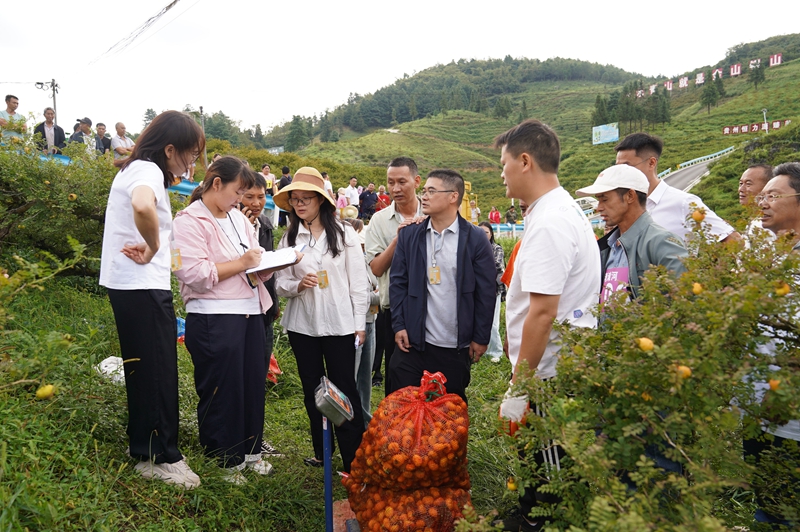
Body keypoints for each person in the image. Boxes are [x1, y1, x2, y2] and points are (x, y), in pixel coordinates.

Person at [494, 119, 601, 531]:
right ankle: (530, 512)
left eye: (504, 164)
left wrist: (520, 385)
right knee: (540, 457)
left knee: (551, 463)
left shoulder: (551, 221)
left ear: (525, 161)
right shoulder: (557, 211)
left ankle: (542, 522)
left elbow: (543, 312)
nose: (502, 174)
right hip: (551, 364)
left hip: (548, 372)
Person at [172, 157, 298, 483]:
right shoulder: (189, 221)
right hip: (214, 316)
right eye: (238, 192)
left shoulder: (238, 219)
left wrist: (272, 263)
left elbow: (254, 262)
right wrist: (242, 263)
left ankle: (251, 452)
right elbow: (194, 273)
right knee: (223, 388)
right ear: (217, 184)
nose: (241, 199)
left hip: (251, 310)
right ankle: (224, 459)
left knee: (251, 384)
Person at [99, 110, 205, 489]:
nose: (191, 163)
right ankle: (158, 457)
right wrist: (153, 245)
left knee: (146, 367)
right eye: (191, 154)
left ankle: (147, 446)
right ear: (170, 149)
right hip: (139, 284)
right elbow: (143, 205)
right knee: (156, 367)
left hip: (134, 284)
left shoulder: (136, 168)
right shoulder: (147, 171)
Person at [273, 166, 369, 472]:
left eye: (306, 198)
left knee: (344, 389)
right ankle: (322, 451)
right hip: (303, 326)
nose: (299, 204)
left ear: (321, 201)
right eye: (295, 199)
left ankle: (355, 459)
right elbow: (278, 282)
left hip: (340, 325)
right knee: (312, 390)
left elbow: (359, 283)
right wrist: (298, 285)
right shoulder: (290, 237)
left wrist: (359, 324)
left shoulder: (344, 234)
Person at [389, 169, 496, 402]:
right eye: (424, 191)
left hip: (454, 346)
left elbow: (486, 292)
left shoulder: (475, 238)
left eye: (431, 191)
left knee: (448, 412)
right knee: (403, 408)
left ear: (453, 196)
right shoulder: (410, 235)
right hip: (414, 344)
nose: (424, 196)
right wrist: (399, 325)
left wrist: (480, 337)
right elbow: (398, 283)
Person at [744, 162, 800, 526]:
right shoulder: (776, 256)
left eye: (773, 196)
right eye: (761, 196)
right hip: (759, 409)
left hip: (788, 414)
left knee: (784, 509)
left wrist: (783, 391)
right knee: (766, 501)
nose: (762, 203)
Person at [576, 164, 688, 303]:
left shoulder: (662, 242)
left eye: (604, 199)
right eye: (598, 200)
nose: (599, 208)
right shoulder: (608, 246)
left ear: (630, 196)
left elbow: (684, 301)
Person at [614, 133, 739, 244]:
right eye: (617, 168)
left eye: (627, 167)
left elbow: (734, 240)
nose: (621, 173)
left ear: (651, 163)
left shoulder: (684, 203)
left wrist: (706, 263)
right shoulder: (624, 206)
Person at [365, 157, 424, 392]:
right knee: (398, 380)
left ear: (417, 181)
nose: (395, 188)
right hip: (394, 311)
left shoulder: (433, 213)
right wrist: (399, 240)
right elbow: (376, 268)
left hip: (433, 308)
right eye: (391, 182)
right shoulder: (379, 221)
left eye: (402, 182)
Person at [345, 217, 379, 428]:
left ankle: (365, 420)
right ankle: (351, 420)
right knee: (353, 374)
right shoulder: (347, 262)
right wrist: (379, 295)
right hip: (354, 324)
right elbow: (359, 296)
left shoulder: (366, 261)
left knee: (365, 376)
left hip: (371, 321)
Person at [478, 222, 505, 361]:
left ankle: (496, 352)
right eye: (480, 232)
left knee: (493, 323)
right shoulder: (474, 248)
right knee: (479, 322)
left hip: (493, 290)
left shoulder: (496, 248)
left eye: (486, 232)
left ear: (491, 234)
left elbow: (497, 266)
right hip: (478, 290)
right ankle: (482, 350)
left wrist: (477, 268)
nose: (483, 235)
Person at [738, 164, 774, 244]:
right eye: (740, 183)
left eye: (748, 184)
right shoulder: (755, 221)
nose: (741, 189)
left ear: (767, 187)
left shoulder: (768, 226)